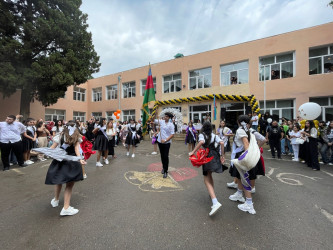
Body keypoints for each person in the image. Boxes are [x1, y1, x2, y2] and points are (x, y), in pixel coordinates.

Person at [44, 121, 86, 216]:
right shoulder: (76, 137)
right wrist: (80, 160)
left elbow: (52, 148)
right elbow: (76, 150)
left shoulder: (60, 136)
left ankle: (56, 200)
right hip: (72, 162)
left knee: (59, 180)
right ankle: (66, 208)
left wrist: (44, 151)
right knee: (69, 185)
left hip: (60, 160)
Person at [189, 122, 227, 216]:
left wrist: (193, 151)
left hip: (207, 156)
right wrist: (223, 155)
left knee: (206, 178)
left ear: (203, 128)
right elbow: (222, 143)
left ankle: (215, 202)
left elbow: (201, 142)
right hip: (215, 155)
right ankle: (212, 193)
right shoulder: (214, 135)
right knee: (209, 175)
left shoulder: (202, 135)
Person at [228, 115, 258, 215]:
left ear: (239, 122)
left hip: (243, 155)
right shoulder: (249, 130)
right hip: (244, 155)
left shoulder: (241, 130)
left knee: (245, 178)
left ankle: (249, 204)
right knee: (240, 177)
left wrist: (246, 157)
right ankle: (239, 194)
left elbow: (246, 143)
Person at [155, 112, 175, 178]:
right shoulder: (162, 122)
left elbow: (172, 134)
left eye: (166, 116)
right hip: (160, 142)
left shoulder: (171, 125)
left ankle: (166, 171)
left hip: (166, 143)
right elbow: (154, 120)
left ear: (169, 117)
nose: (165, 117)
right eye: (165, 116)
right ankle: (163, 168)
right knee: (162, 156)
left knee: (166, 156)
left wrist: (166, 140)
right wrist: (155, 114)